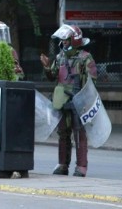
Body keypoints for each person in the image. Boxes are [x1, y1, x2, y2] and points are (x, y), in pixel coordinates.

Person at [40, 24, 97, 177]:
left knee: (79, 132)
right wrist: (47, 67)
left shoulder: (86, 58)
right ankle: (62, 164)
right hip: (62, 99)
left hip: (78, 100)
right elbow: (53, 76)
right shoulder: (60, 58)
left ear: (74, 40)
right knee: (63, 132)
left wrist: (85, 100)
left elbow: (92, 83)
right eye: (63, 40)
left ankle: (81, 166)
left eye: (66, 40)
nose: (64, 43)